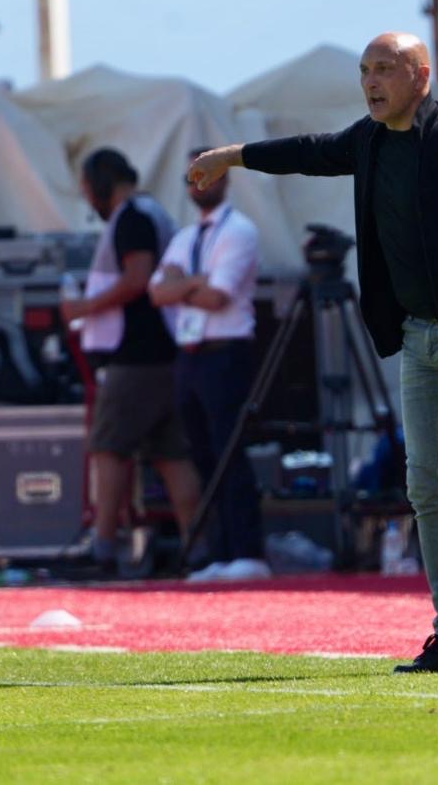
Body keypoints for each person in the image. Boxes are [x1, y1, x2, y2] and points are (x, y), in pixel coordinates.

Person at [189, 31, 438, 675]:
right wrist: (230, 156)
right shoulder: (368, 140)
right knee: (427, 486)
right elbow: (308, 152)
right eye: (365, 71)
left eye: (385, 70)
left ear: (421, 77)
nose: (371, 81)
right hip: (417, 336)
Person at [61, 148, 203, 575]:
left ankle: (102, 547)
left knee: (108, 447)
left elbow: (138, 276)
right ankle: (199, 549)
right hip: (166, 353)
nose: (88, 201)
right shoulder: (152, 212)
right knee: (172, 456)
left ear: (103, 184)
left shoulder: (133, 218)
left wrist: (86, 307)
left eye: (88, 190)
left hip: (137, 357)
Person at [149, 150, 269, 581]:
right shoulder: (184, 237)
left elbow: (217, 296)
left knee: (229, 450)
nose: (198, 184)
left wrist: (184, 284)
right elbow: (156, 292)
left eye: (206, 175)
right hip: (191, 352)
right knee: (200, 454)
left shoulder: (239, 231)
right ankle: (219, 552)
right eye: (192, 177)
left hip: (226, 350)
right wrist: (192, 284)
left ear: (223, 178)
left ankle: (247, 550)